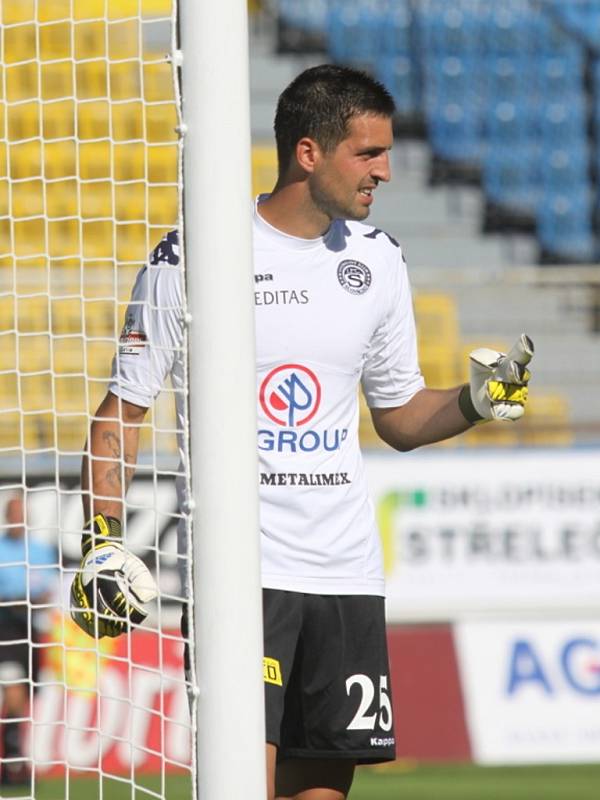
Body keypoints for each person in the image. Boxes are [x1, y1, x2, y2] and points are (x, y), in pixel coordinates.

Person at [70, 65, 533, 800]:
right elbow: (120, 413)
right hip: (239, 577)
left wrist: (475, 402)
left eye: (385, 153)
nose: (385, 170)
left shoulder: (377, 261)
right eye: (368, 153)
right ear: (309, 153)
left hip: (345, 575)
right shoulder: (190, 257)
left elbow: (401, 417)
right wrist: (99, 541)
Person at [0, 490, 57, 787]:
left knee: (24, 696)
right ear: (7, 517)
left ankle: (14, 759)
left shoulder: (40, 552)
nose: (17, 520)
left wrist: (30, 599)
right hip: (4, 629)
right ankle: (13, 763)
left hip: (31, 631)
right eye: (13, 514)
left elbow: (48, 590)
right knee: (12, 692)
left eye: (22, 514)